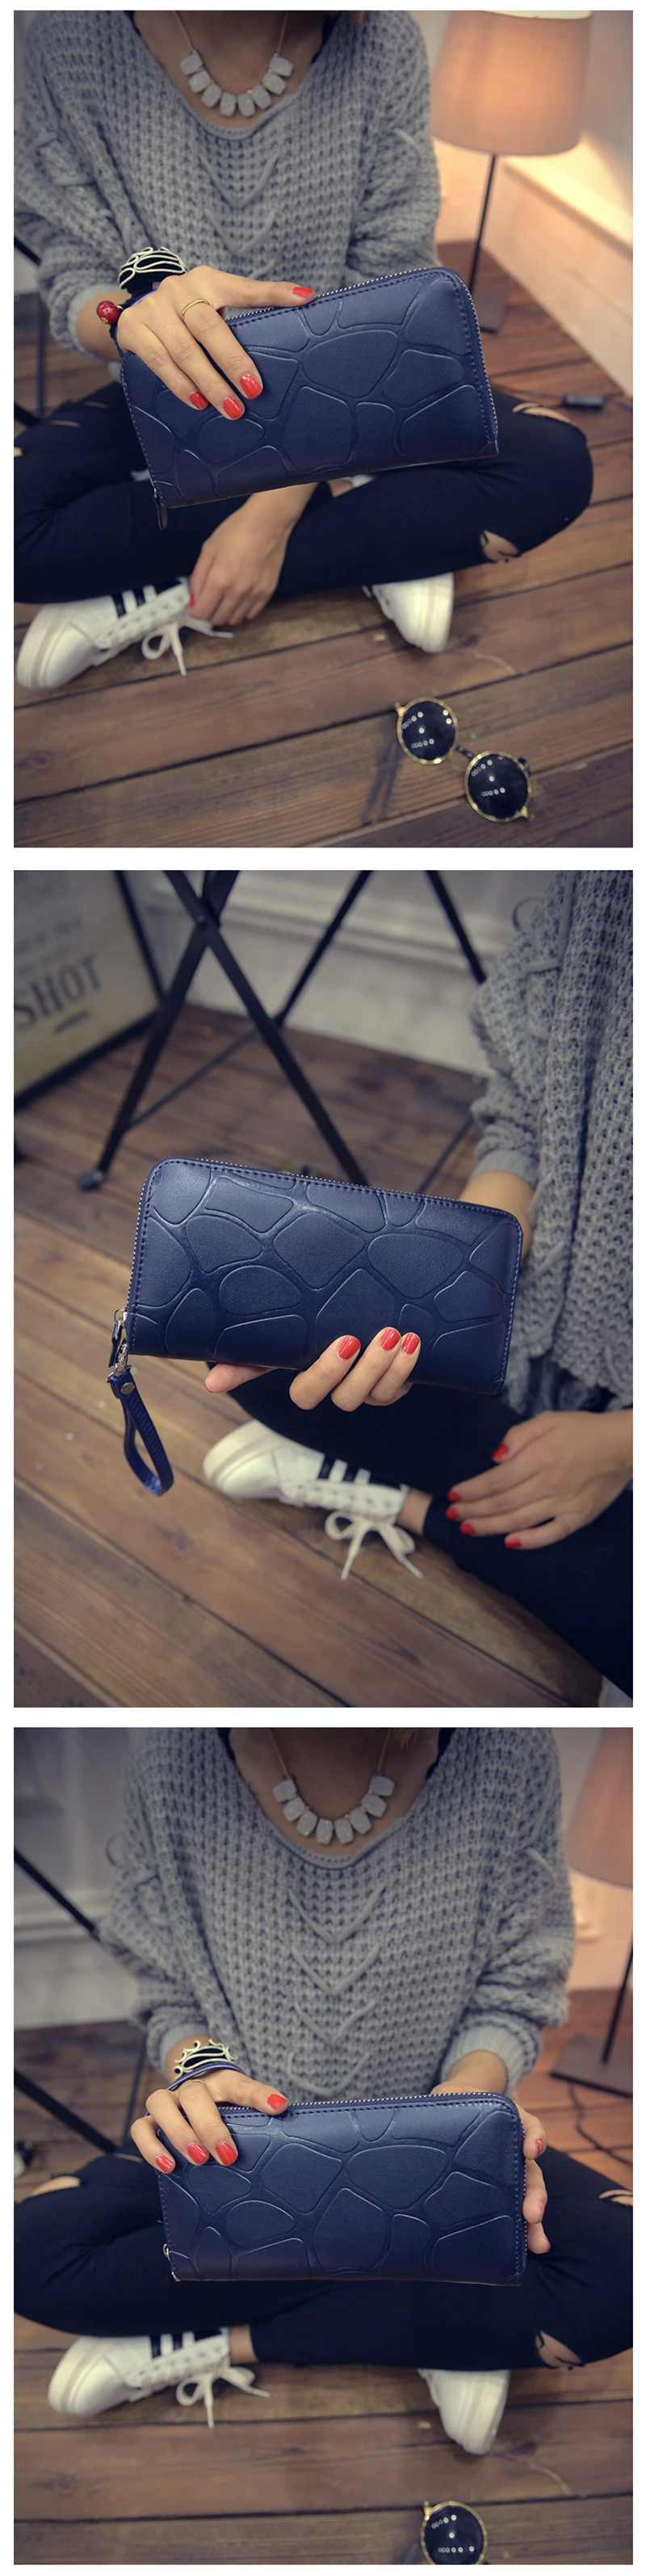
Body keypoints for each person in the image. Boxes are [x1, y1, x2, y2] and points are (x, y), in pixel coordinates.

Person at [14, 1726, 632, 2457]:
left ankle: (222, 2338)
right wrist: (201, 2069)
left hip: (433, 2160)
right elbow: (169, 1988)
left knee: (627, 2270)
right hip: (237, 2152)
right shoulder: (172, 1754)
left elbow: (514, 1987)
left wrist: (464, 2109)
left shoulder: (507, 1750)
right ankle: (448, 2320)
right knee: (27, 2252)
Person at [15, 11, 593, 686]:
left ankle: (170, 586)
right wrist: (129, 318)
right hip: (178, 394)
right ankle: (393, 535)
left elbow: (391, 277)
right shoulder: (68, 38)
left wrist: (270, 517)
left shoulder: (380, 41)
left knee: (555, 465)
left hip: (357, 390)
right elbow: (74, 269)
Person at [203, 871, 633, 1702]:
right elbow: (521, 1123)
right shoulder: (606, 887)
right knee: (252, 1349)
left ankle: (404, 1502)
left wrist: (621, 1447)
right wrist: (445, 1287)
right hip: (534, 1331)